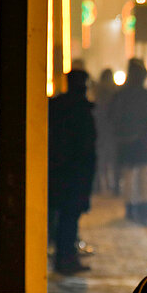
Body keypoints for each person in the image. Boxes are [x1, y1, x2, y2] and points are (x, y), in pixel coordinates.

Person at [48, 68, 97, 275]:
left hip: (59, 171)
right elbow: (87, 145)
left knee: (62, 216)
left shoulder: (56, 107)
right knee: (70, 217)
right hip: (76, 173)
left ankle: (64, 256)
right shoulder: (81, 109)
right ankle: (66, 258)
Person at [112, 58, 147, 225]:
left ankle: (130, 207)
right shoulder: (144, 93)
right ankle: (143, 205)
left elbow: (113, 117)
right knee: (143, 175)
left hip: (126, 142)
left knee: (129, 175)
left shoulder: (121, 94)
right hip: (143, 140)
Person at [91, 67, 120, 196]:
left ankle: (98, 186)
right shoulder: (115, 91)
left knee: (100, 160)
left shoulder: (97, 91)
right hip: (112, 130)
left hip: (99, 130)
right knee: (113, 160)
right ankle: (114, 186)